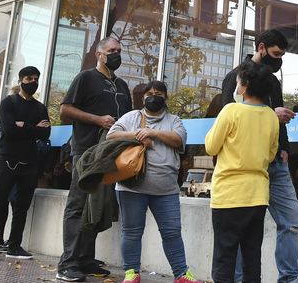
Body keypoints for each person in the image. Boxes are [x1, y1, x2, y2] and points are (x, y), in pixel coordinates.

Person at [220, 29, 298, 283]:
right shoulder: (236, 77)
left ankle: (289, 279)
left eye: (283, 55)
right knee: (242, 229)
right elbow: (229, 118)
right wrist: (270, 114)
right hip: (248, 165)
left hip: (276, 161)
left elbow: (278, 123)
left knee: (293, 221)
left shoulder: (272, 81)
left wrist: (285, 148)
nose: (279, 60)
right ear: (262, 47)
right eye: (276, 54)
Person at [55, 37, 133, 282]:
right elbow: (65, 110)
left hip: (110, 154)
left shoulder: (122, 85)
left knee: (96, 207)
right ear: (99, 54)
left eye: (119, 50)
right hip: (86, 152)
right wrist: (97, 120)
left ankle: (85, 259)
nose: (116, 54)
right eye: (112, 50)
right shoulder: (85, 78)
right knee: (78, 205)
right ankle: (67, 263)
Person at [106, 80, 198, 283]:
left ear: (166, 97)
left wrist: (153, 132)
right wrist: (137, 135)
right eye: (149, 94)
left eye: (158, 94)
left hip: (166, 190)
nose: (153, 97)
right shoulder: (132, 117)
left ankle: (182, 275)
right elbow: (111, 136)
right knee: (131, 232)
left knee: (172, 232)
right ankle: (131, 273)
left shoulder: (174, 120)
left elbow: (179, 140)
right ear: (143, 98)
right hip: (131, 187)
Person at [206, 60, 280, 283]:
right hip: (257, 195)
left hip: (229, 194)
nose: (236, 86)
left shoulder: (231, 110)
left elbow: (211, 146)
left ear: (245, 85)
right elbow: (271, 154)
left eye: (238, 82)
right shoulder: (271, 116)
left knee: (225, 256)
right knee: (252, 256)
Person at [0, 66, 50, 261]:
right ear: (20, 81)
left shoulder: (40, 107)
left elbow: (45, 133)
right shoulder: (8, 103)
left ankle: (14, 245)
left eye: (36, 79)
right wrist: (33, 128)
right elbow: (9, 130)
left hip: (30, 161)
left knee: (22, 206)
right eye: (29, 78)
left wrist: (23, 125)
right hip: (7, 159)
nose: (33, 82)